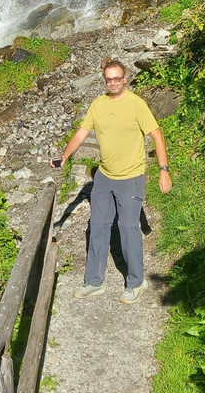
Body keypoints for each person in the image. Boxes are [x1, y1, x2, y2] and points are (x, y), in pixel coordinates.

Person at [50, 57, 171, 304]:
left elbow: (157, 135)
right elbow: (81, 133)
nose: (113, 82)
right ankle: (94, 281)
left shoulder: (136, 104)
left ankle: (136, 282)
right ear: (104, 80)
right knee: (97, 225)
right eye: (109, 79)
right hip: (104, 176)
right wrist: (64, 156)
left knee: (127, 228)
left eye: (117, 78)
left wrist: (163, 170)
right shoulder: (98, 105)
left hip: (131, 177)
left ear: (125, 78)